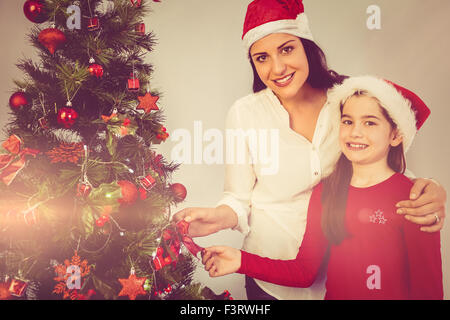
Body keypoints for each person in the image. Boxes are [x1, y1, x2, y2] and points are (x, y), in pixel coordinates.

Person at [173, 0, 447, 300]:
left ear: (307, 46)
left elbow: (382, 165)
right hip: (271, 275)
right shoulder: (245, 113)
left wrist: (428, 188)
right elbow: (238, 197)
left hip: (345, 278)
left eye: (287, 49)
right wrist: (220, 216)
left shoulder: (347, 101)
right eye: (262, 57)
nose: (277, 68)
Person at [202, 75, 443, 300]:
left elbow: (428, 290)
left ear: (396, 135)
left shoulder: (414, 200)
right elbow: (304, 272)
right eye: (348, 121)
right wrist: (240, 261)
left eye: (370, 123)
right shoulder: (328, 191)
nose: (355, 132)